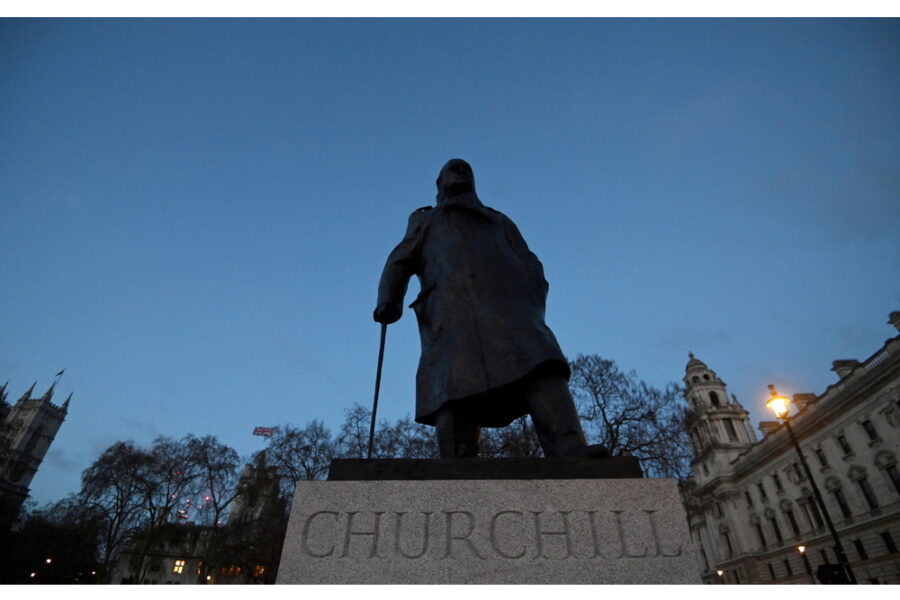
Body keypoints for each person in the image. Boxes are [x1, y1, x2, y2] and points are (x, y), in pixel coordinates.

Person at [374, 159, 608, 459]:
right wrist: (388, 300)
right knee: (453, 384)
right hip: (452, 310)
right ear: (439, 183)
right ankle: (458, 460)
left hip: (511, 308)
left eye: (465, 168)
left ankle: (568, 446)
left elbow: (528, 258)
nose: (460, 171)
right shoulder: (426, 220)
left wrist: (531, 292)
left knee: (543, 365)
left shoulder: (499, 220)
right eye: (452, 168)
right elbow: (400, 259)